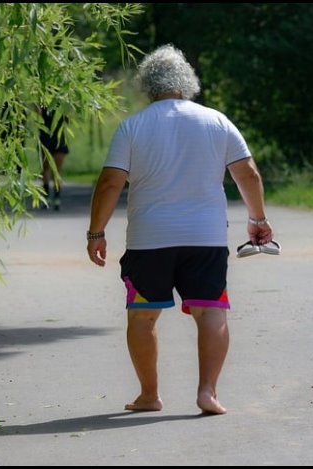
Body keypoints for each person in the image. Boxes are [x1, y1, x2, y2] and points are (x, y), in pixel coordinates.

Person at [86, 44, 274, 415]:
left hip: (149, 240)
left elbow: (110, 183)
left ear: (147, 85)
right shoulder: (217, 121)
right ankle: (208, 393)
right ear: (187, 81)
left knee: (142, 316)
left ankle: (149, 395)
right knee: (212, 312)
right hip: (205, 239)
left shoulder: (133, 126)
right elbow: (247, 174)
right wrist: (257, 219)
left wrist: (96, 232)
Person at [39, 107, 69, 211]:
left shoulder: (44, 100)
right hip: (53, 137)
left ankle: (52, 198)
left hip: (53, 137)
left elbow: (38, 116)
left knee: (50, 169)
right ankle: (52, 198)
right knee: (51, 169)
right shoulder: (63, 101)